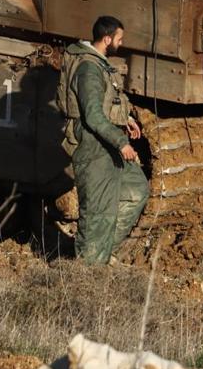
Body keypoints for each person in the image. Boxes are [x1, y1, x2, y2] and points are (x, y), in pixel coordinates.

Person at [58, 15, 150, 264]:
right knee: (98, 210)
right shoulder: (88, 68)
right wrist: (120, 142)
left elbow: (108, 104)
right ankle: (88, 272)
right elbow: (92, 115)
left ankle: (101, 251)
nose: (122, 42)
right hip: (94, 143)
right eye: (119, 38)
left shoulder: (100, 64)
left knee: (136, 190)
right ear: (107, 39)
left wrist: (126, 118)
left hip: (107, 139)